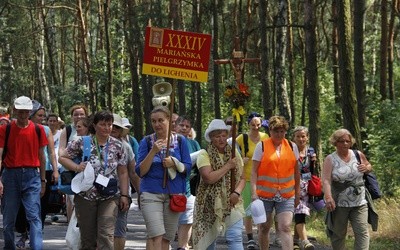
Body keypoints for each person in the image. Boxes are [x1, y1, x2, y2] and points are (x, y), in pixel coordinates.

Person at [59, 110, 130, 249]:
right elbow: (62, 158)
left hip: (110, 195)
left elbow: (123, 172)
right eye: (103, 124)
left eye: (109, 124)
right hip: (86, 195)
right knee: (88, 237)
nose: (107, 128)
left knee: (106, 234)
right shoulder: (82, 142)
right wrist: (76, 167)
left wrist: (124, 195)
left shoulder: (118, 145)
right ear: (95, 125)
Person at [136, 106, 191, 250]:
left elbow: (188, 168)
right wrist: (153, 151)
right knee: (156, 235)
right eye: (153, 121)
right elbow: (140, 171)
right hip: (150, 193)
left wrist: (175, 163)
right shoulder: (147, 142)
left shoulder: (180, 141)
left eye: (161, 120)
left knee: (166, 238)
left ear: (169, 121)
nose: (157, 124)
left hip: (174, 194)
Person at [0, 96, 48, 250]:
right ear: (14, 110)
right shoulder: (4, 129)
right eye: (20, 111)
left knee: (34, 217)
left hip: (31, 175)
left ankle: (36, 247)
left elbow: (42, 156)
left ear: (30, 111)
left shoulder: (38, 129)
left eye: (26, 111)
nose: (22, 114)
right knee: (8, 221)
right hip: (10, 175)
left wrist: (43, 180)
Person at [192, 119, 246, 249]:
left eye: (223, 135)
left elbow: (243, 177)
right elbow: (208, 178)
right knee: (209, 242)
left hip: (232, 201)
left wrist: (236, 192)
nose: (221, 139)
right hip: (209, 204)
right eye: (217, 136)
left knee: (235, 237)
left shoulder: (234, 153)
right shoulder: (204, 154)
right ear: (211, 138)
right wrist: (227, 166)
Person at [15, 100, 60, 248]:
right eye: (39, 115)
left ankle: (36, 234)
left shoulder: (45, 130)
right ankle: (22, 232)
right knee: (22, 205)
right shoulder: (18, 128)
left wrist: (54, 170)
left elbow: (51, 152)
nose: (42, 118)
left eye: (43, 116)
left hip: (43, 171)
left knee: (41, 204)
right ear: (31, 114)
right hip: (23, 169)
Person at [251, 115, 300, 250]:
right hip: (264, 194)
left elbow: (296, 172)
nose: (279, 134)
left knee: (285, 226)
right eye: (275, 131)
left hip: (286, 194)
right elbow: (254, 171)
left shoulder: (292, 146)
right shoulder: (261, 146)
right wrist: (254, 193)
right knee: (264, 227)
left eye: (282, 131)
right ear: (270, 131)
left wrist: (297, 192)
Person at [322, 129, 372, 250]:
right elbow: (326, 180)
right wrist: (328, 197)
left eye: (347, 141)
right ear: (335, 142)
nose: (345, 144)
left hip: (360, 202)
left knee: (362, 232)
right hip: (339, 203)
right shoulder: (330, 159)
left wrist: (366, 168)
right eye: (341, 141)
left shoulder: (357, 154)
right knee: (338, 234)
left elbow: (369, 166)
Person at [236, 112, 269, 249]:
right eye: (253, 125)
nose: (256, 127)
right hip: (247, 177)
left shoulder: (265, 137)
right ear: (248, 124)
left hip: (263, 178)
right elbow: (232, 152)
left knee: (263, 208)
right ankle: (250, 237)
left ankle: (262, 233)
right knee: (248, 209)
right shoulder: (241, 138)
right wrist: (240, 160)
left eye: (258, 125)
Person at [111, 113, 141, 250]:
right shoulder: (93, 143)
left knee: (119, 229)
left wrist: (140, 194)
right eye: (110, 125)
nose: (112, 129)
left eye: (116, 127)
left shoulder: (126, 147)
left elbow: (133, 172)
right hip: (95, 194)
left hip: (120, 193)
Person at [58, 104, 88, 221]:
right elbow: (61, 149)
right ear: (71, 117)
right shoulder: (68, 129)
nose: (78, 116)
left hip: (87, 170)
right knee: (71, 198)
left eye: (81, 114)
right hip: (70, 169)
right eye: (76, 114)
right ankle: (72, 225)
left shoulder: (91, 131)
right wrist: (68, 163)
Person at [175, 115, 201, 250]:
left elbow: (200, 165)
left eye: (187, 126)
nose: (184, 128)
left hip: (189, 188)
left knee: (187, 221)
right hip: (171, 188)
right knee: (171, 222)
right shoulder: (170, 142)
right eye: (181, 125)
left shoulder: (194, 144)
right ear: (175, 126)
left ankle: (182, 246)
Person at [292, 126, 316, 250]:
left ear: (307, 137)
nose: (301, 139)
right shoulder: (290, 150)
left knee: (301, 214)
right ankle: (305, 242)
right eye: (298, 136)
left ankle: (295, 242)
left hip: (306, 188)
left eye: (303, 136)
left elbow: (312, 171)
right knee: (299, 213)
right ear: (294, 138)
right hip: (292, 186)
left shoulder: (311, 151)